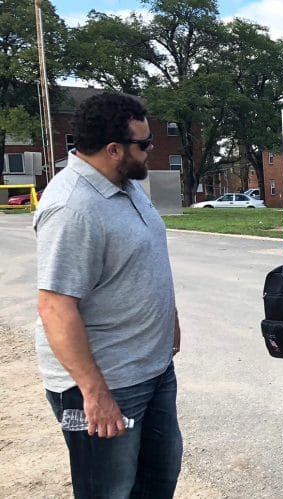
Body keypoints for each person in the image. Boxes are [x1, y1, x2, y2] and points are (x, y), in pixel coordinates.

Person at [34, 91, 183, 497]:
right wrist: (93, 394)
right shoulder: (72, 208)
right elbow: (55, 306)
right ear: (114, 149)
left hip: (151, 369)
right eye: (145, 143)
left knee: (158, 481)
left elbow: (143, 260)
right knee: (109, 490)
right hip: (105, 383)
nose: (152, 149)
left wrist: (170, 317)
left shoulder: (126, 185)